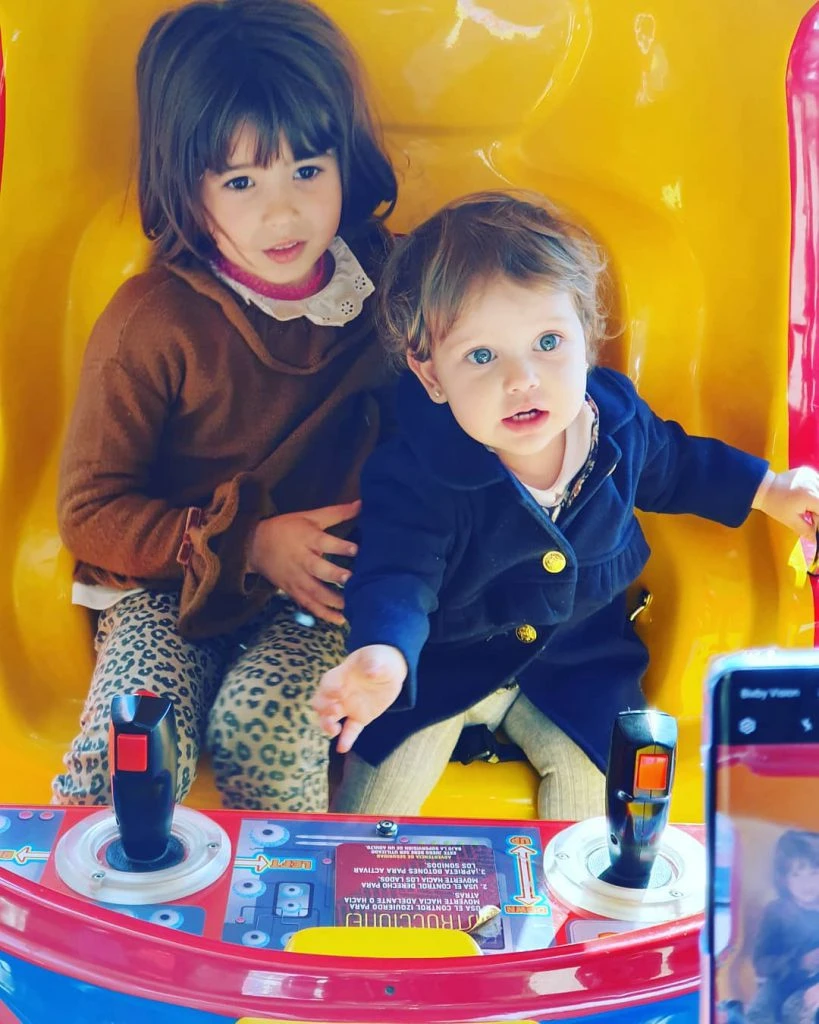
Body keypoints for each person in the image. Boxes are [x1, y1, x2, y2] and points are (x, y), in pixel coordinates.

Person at [313, 191, 819, 819]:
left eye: (548, 341)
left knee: (598, 812)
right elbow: (397, 575)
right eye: (481, 356)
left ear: (587, 338)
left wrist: (770, 490)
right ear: (432, 376)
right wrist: (384, 653)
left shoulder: (617, 426)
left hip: (579, 661)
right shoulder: (415, 470)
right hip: (442, 665)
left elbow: (680, 466)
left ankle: (576, 885)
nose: (522, 378)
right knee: (371, 818)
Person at [52, 0, 397, 810]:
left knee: (263, 728)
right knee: (132, 741)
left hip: (316, 595)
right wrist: (247, 543)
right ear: (188, 186)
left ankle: (283, 894)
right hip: (166, 590)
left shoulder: (391, 286)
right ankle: (96, 888)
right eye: (241, 181)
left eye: (307, 170)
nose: (283, 213)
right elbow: (90, 512)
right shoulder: (152, 322)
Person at [748, 831, 819, 1024]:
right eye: (796, 875)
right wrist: (798, 962)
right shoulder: (776, 911)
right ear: (784, 879)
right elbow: (761, 961)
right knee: (758, 1012)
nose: (807, 883)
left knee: (794, 1009)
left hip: (813, 985)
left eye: (814, 873)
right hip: (781, 980)